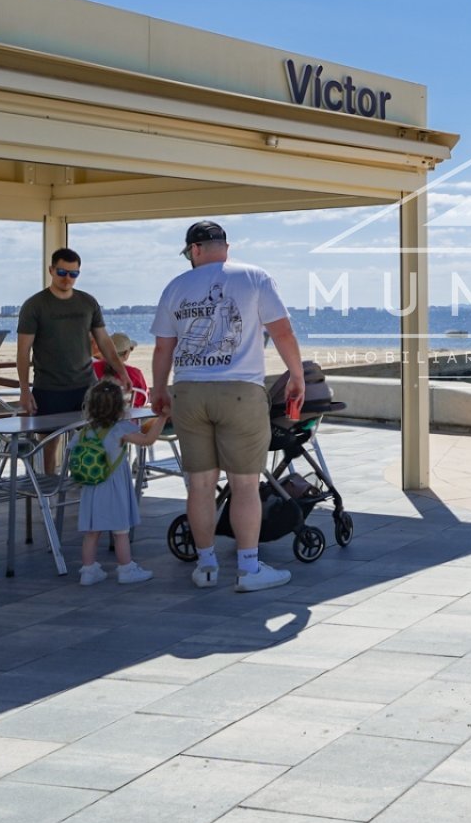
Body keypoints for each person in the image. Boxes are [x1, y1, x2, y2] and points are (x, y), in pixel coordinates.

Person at [150, 220, 305, 594]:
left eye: (189, 253)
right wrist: (296, 376)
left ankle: (205, 566)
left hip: (189, 392)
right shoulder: (254, 277)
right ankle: (249, 569)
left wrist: (159, 389)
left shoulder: (175, 287)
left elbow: (163, 348)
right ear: (225, 246)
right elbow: (282, 332)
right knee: (245, 484)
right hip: (239, 391)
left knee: (201, 484)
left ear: (195, 249)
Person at [73, 379, 164, 586]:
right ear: (120, 407)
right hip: (114, 488)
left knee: (92, 532)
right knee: (120, 531)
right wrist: (162, 418)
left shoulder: (85, 431)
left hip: (91, 488)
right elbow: (147, 440)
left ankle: (88, 571)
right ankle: (126, 568)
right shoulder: (120, 429)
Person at [17, 248, 128, 416]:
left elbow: (104, 341)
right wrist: (24, 390)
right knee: (51, 434)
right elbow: (23, 351)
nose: (67, 278)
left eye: (73, 274)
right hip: (49, 390)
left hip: (87, 386)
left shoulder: (88, 302)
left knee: (92, 432)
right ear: (51, 270)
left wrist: (122, 373)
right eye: (62, 272)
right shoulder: (34, 306)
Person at [92, 331, 151, 406]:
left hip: (96, 411)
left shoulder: (92, 368)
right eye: (131, 349)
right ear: (126, 354)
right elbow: (143, 399)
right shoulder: (135, 373)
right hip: (126, 413)